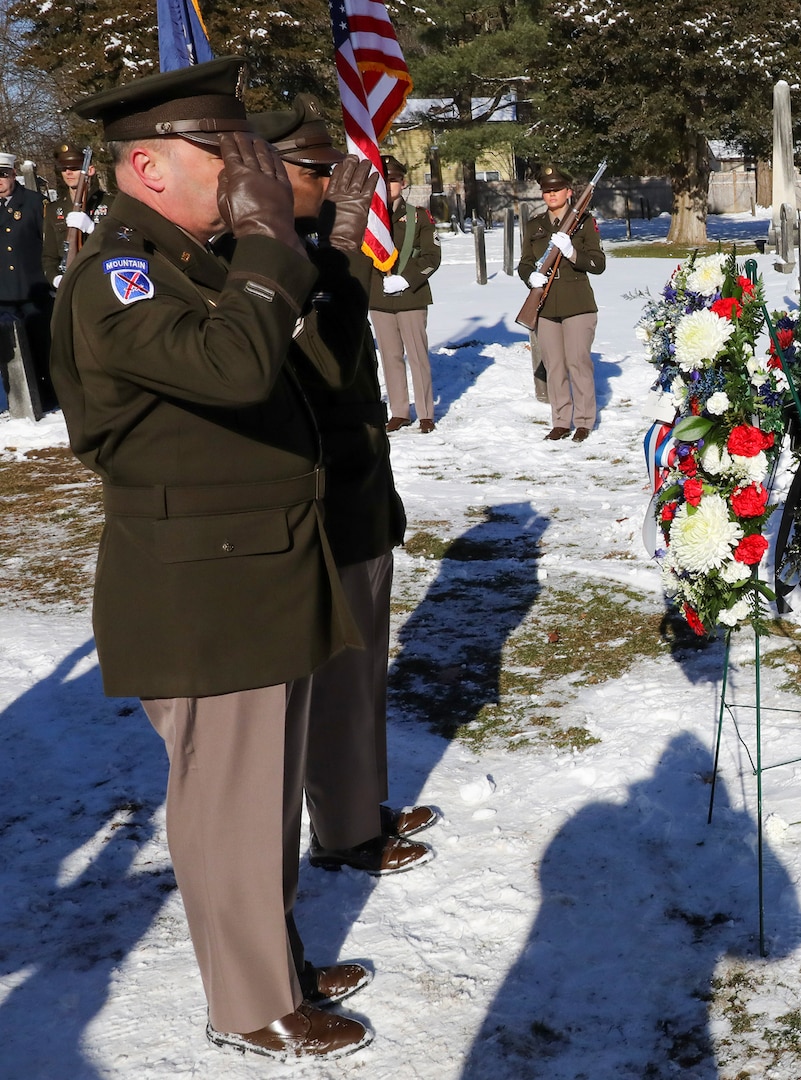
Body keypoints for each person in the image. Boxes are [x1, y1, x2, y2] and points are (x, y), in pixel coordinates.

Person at [51, 57, 372, 1060]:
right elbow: (234, 369)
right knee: (229, 803)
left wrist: (315, 245)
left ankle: (269, 960)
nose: (248, 167)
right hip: (203, 584)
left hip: (255, 567)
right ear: (147, 168)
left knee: (262, 795)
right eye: (223, 151)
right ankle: (249, 1004)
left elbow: (313, 370)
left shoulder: (201, 259)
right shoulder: (121, 275)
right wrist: (274, 239)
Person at [250, 96, 434, 876]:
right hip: (317, 495)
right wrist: (344, 249)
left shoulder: (313, 248)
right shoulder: (258, 259)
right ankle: (344, 832)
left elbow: (350, 350)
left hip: (357, 486)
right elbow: (319, 360)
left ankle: (359, 809)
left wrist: (343, 246)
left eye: (335, 171)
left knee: (361, 670)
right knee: (332, 675)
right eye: (316, 171)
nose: (333, 184)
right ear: (265, 172)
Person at [517, 163, 605, 442]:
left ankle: (583, 421)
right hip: (545, 306)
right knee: (554, 365)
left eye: (557, 189)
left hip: (577, 304)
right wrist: (530, 277)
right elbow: (525, 263)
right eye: (546, 190)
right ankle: (560, 421)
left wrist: (571, 252)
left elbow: (597, 263)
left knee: (578, 362)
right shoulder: (534, 225)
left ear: (569, 192)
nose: (551, 194)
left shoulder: (584, 222)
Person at [368, 155, 440, 433]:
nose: (388, 186)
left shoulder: (418, 216)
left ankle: (425, 413)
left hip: (411, 296)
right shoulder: (370, 218)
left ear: (403, 182)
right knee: (390, 357)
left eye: (393, 180)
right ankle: (399, 411)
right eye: (383, 181)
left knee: (417, 355)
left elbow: (432, 256)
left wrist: (406, 280)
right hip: (380, 297)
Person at [0, 149, 59, 409]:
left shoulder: (35, 203)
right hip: (4, 295)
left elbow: (49, 245)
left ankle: (50, 397)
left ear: (13, 174)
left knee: (42, 346)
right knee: (10, 355)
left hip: (34, 289)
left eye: (2, 175)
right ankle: (19, 402)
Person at [49, 143, 112, 282]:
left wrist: (93, 229)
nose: (68, 172)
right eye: (64, 168)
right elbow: (49, 256)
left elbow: (123, 244)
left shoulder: (110, 203)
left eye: (74, 168)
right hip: (69, 282)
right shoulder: (53, 209)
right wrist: (55, 279)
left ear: (90, 170)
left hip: (103, 280)